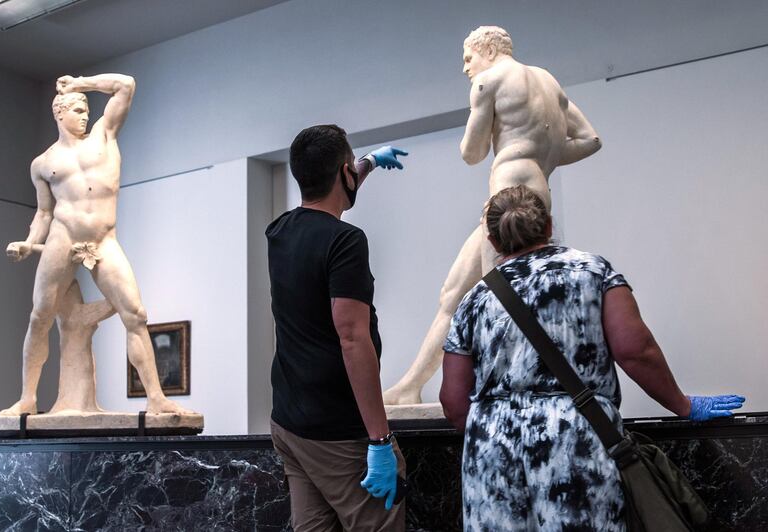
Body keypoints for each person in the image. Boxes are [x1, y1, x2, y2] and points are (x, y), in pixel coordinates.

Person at [439, 185, 745, 531]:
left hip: (490, 447)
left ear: (492, 241)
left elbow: (453, 401)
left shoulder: (474, 300)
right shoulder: (592, 272)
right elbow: (636, 351)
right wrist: (684, 405)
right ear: (549, 227)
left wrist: (496, 429)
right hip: (575, 437)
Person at [384, 25, 602, 405]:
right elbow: (589, 140)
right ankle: (408, 388)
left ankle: (499, 390)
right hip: (538, 189)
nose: (466, 68)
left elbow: (471, 152)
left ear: (486, 50)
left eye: (468, 58)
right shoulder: (548, 81)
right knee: (453, 293)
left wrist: (508, 147)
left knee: (499, 299)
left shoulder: (489, 82)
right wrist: (537, 155)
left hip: (507, 195)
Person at [2, 74, 190, 415]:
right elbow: (44, 212)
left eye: (86, 108)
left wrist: (81, 83)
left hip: (103, 239)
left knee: (135, 314)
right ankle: (28, 398)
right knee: (39, 317)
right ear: (59, 114)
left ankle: (156, 398)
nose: (85, 114)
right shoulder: (43, 164)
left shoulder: (105, 135)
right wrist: (30, 242)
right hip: (63, 237)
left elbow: (126, 85)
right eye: (76, 109)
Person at [266, 124, 409, 531]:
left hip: (290, 423)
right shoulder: (345, 241)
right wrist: (379, 442)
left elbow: (330, 185)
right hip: (338, 432)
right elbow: (352, 338)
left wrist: (366, 164)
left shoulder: (279, 232)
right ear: (343, 173)